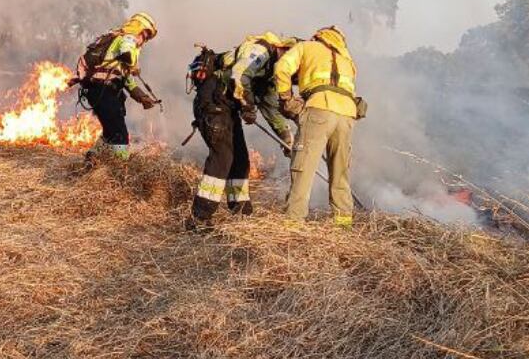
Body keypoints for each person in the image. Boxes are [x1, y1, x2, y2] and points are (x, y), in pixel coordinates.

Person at [186, 33, 299, 229]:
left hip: (228, 109)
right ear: (286, 51)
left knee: (240, 160)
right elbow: (238, 75)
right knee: (223, 157)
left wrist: (287, 139)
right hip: (213, 101)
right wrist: (247, 106)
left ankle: (240, 212)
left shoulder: (271, 73)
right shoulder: (260, 50)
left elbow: (271, 108)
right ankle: (199, 218)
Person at [274, 26, 364, 227]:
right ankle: (343, 225)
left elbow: (281, 68)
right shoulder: (347, 59)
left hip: (319, 109)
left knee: (303, 167)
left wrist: (286, 99)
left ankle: (293, 223)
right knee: (340, 171)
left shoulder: (307, 46)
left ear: (317, 36)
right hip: (347, 115)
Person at [74, 12, 159, 161]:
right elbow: (126, 52)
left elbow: (125, 79)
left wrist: (142, 97)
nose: (144, 39)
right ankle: (121, 167)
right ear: (138, 27)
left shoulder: (119, 41)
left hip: (101, 90)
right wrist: (133, 64)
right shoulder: (127, 38)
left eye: (147, 37)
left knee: (109, 131)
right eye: (144, 34)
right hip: (104, 89)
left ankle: (91, 160)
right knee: (119, 134)